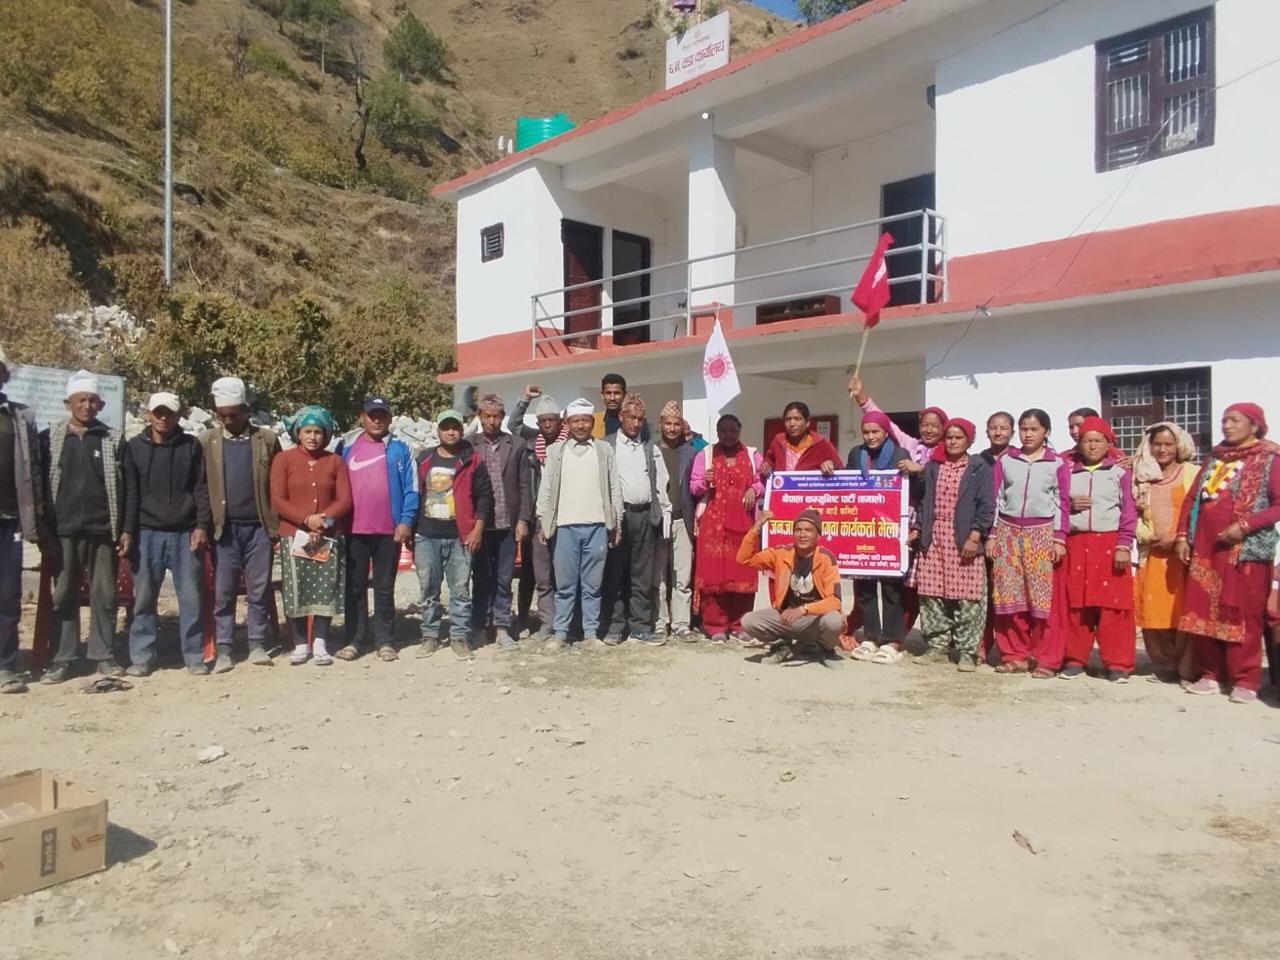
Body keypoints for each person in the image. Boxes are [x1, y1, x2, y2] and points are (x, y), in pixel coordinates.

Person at [1176, 403, 1280, 704]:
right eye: (1224, 420)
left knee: (1243, 614)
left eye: (1235, 420)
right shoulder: (1215, 458)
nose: (1227, 426)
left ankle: (1245, 679)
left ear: (1255, 425)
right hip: (1206, 549)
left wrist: (1244, 526)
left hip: (1244, 552)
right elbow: (1192, 499)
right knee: (1201, 611)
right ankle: (1210, 673)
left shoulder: (1270, 459)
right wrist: (1183, 536)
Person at [39, 371, 126, 683]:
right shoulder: (49, 438)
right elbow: (40, 486)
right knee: (63, 594)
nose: (87, 406)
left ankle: (103, 655)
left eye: (92, 401)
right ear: (68, 403)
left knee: (104, 594)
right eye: (81, 400)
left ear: (100, 404)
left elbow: (126, 487)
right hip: (63, 531)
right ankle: (63, 658)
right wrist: (43, 529)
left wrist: (125, 529)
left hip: (102, 530)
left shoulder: (112, 438)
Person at [123, 392, 211, 677]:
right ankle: (142, 656)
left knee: (191, 598)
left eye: (169, 413)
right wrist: (128, 531)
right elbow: (131, 492)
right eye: (158, 412)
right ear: (148, 414)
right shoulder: (134, 448)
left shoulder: (191, 446)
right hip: (147, 532)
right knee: (144, 598)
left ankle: (194, 656)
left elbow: (200, 488)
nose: (163, 418)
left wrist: (202, 525)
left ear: (178, 416)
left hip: (184, 533)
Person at [200, 376, 280, 670]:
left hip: (259, 528)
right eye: (223, 415)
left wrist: (276, 526)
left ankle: (257, 643)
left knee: (258, 589)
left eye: (234, 414)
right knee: (224, 591)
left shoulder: (266, 440)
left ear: (246, 410)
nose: (229, 420)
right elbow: (200, 486)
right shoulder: (207, 442)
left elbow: (278, 482)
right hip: (225, 530)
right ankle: (224, 648)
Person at [987, 409, 1070, 677]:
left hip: (1041, 534)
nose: (1028, 434)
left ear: (1046, 431)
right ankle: (1014, 655)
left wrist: (1059, 538)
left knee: (1042, 600)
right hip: (1008, 533)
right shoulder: (1006, 461)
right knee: (1009, 598)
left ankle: (1046, 659)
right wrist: (992, 534)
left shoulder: (1057, 464)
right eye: (1024, 429)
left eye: (1034, 429)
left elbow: (1062, 503)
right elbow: (997, 498)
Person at [334, 396, 418, 662]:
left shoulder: (400, 448)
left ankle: (385, 640)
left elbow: (412, 488)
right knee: (354, 588)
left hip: (388, 531)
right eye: (372, 415)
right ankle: (354, 639)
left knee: (384, 587)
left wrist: (406, 520)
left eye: (382, 415)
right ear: (362, 417)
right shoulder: (345, 446)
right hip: (353, 530)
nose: (377, 420)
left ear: (390, 418)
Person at [536, 398, 622, 654]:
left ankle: (590, 634)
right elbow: (546, 487)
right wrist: (542, 520)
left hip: (597, 526)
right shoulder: (556, 452)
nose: (581, 425)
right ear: (568, 423)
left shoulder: (604, 450)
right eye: (576, 421)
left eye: (585, 421)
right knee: (564, 586)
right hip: (564, 527)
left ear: (592, 422)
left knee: (592, 586)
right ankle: (561, 633)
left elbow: (614, 487)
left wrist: (616, 522)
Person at [269, 405, 351, 666]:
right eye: (308, 431)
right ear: (298, 433)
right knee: (297, 587)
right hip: (294, 534)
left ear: (325, 435)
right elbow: (278, 499)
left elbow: (344, 500)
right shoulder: (284, 460)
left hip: (326, 534)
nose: (313, 437)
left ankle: (320, 642)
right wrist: (306, 520)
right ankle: (299, 643)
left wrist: (323, 521)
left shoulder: (334, 461)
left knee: (325, 587)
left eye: (318, 432)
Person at [1059, 417, 1137, 682]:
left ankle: (1117, 663)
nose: (1092, 446)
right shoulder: (1068, 472)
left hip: (1109, 544)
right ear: (1079, 444)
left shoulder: (1120, 473)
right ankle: (1075, 659)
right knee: (1076, 604)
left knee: (1113, 605)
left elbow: (1128, 511)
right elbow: (1056, 505)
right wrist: (1070, 506)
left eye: (1098, 441)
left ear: (1108, 443)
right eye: (1087, 441)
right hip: (1076, 542)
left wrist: (1124, 545)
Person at [911, 418, 993, 671]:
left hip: (963, 539)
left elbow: (986, 505)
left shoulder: (979, 467)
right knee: (932, 594)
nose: (953, 442)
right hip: (934, 537)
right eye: (949, 438)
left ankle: (967, 651)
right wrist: (918, 528)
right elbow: (925, 502)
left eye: (959, 438)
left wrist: (975, 536)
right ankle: (937, 645)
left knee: (968, 597)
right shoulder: (934, 466)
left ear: (969, 440)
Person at [415, 408, 493, 661]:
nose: (451, 432)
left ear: (461, 430)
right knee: (428, 589)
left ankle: (460, 637)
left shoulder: (472, 459)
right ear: (437, 431)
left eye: (455, 427)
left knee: (460, 590)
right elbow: (414, 494)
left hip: (461, 536)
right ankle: (429, 635)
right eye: (445, 427)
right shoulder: (424, 459)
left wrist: (477, 529)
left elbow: (484, 497)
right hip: (427, 535)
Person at [1131, 422, 1199, 685]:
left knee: (1185, 612)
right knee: (1153, 611)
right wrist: (1146, 535)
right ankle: (1165, 665)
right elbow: (1133, 513)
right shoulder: (1142, 476)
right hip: (1153, 552)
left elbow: (1200, 511)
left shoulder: (1192, 474)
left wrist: (1180, 538)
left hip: (1184, 553)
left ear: (1178, 445)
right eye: (1157, 444)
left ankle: (1188, 669)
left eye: (1168, 444)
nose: (1162, 450)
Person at [689, 414, 765, 644]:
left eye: (733, 430)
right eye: (723, 430)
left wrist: (754, 489)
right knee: (714, 577)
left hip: (744, 525)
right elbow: (694, 487)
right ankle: (715, 626)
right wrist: (704, 480)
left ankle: (740, 624)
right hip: (713, 527)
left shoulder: (751, 455)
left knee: (742, 573)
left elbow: (763, 480)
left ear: (739, 431)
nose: (728, 435)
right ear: (717, 432)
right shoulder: (706, 455)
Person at [602, 393, 670, 644]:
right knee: (615, 573)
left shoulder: (649, 447)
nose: (636, 423)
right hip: (619, 517)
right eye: (632, 417)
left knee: (642, 575)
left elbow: (660, 483)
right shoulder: (607, 446)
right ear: (621, 416)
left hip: (644, 516)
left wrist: (660, 516)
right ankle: (614, 627)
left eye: (640, 419)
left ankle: (640, 627)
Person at [844, 410, 910, 663]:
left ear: (885, 432)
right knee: (865, 586)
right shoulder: (856, 454)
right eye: (866, 432)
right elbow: (848, 485)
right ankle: (871, 636)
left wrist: (915, 472)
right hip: (863, 527)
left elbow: (913, 490)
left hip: (889, 530)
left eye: (876, 432)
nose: (871, 437)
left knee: (892, 587)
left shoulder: (900, 454)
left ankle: (892, 640)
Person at [0, 345, 47, 694]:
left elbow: (35, 471)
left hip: (8, 520)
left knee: (7, 595)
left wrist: (35, 517)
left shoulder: (19, 417)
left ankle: (5, 665)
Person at [737, 508, 843, 663]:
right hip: (786, 618)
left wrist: (803, 610)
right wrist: (756, 527)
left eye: (808, 530)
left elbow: (834, 601)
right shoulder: (781, 553)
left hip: (814, 620)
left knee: (834, 621)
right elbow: (744, 560)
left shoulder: (826, 558)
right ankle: (782, 646)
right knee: (748, 621)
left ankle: (825, 649)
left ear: (818, 535)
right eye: (798, 530)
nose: (802, 534)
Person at [471, 394, 532, 649]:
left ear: (503, 417)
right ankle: (479, 625)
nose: (492, 421)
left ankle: (502, 627)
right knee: (480, 577)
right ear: (479, 416)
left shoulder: (516, 444)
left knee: (504, 578)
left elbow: (524, 484)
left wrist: (523, 519)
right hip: (479, 525)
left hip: (507, 522)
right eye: (487, 416)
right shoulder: (469, 445)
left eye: (496, 416)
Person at [507, 385, 566, 641]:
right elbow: (514, 424)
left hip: (564, 515)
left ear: (560, 420)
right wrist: (524, 399)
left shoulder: (569, 443)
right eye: (543, 421)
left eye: (552, 420)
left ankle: (561, 621)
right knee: (533, 573)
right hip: (535, 516)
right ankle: (531, 619)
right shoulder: (533, 440)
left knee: (560, 572)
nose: (548, 425)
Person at [655, 401, 697, 641]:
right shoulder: (650, 451)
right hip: (658, 521)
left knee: (683, 576)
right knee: (659, 575)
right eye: (668, 423)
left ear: (683, 426)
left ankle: (681, 623)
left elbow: (707, 450)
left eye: (676, 424)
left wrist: (693, 436)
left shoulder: (690, 452)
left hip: (683, 521)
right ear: (660, 424)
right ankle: (660, 621)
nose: (672, 428)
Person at [761, 401, 838, 477]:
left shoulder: (822, 444)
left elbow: (840, 471)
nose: (792, 424)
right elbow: (768, 464)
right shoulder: (778, 442)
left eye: (797, 419)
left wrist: (831, 465)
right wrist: (765, 468)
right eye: (788, 419)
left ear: (807, 422)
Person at [594, 373, 649, 441]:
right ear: (602, 395)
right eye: (608, 393)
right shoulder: (595, 421)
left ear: (624, 394)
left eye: (617, 393)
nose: (612, 398)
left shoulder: (637, 421)